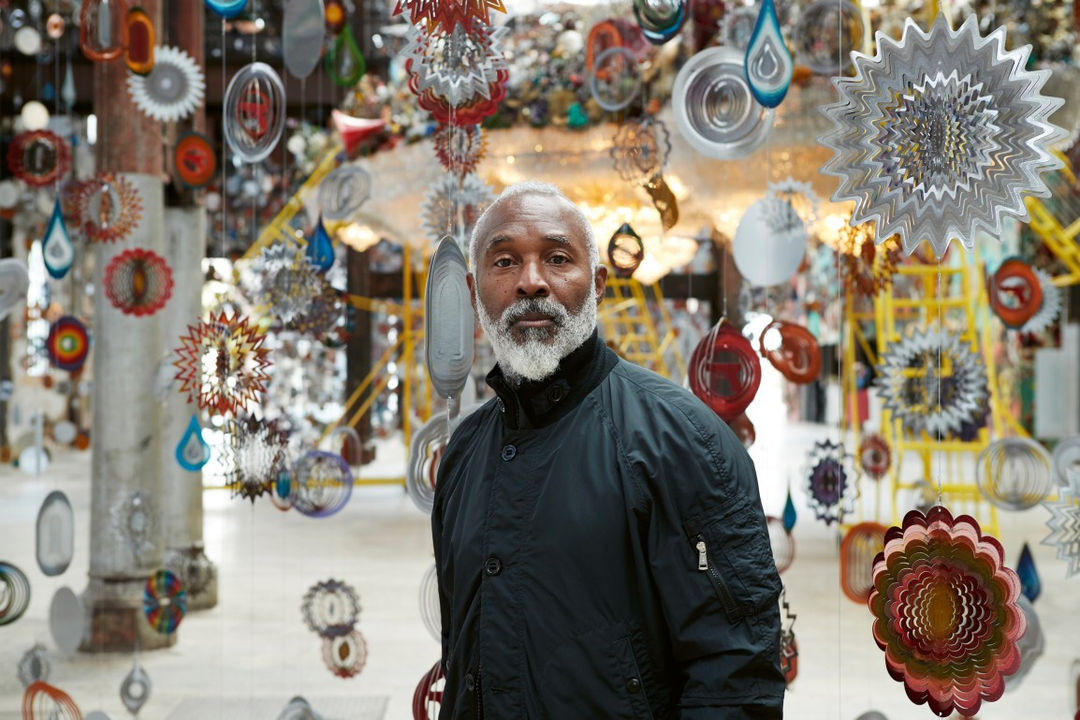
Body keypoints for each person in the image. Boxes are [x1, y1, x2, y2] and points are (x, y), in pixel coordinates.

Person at [432, 181, 784, 719]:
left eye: (556, 258)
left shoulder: (681, 442)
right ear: (474, 290)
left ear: (597, 285)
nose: (531, 283)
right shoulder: (464, 454)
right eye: (504, 262)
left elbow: (735, 677)